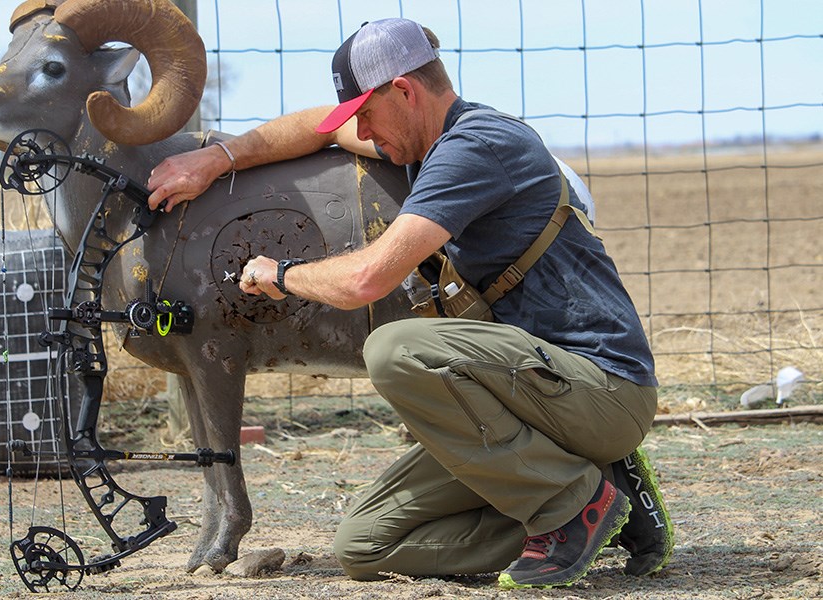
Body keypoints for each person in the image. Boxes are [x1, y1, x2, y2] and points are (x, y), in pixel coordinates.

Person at [147, 18, 672, 590]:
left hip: (601, 388)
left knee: (397, 349)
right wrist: (217, 158)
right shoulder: (421, 144)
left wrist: (284, 274)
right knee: (366, 547)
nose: (364, 134)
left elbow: (368, 280)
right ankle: (602, 493)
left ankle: (572, 505)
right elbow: (313, 130)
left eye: (366, 115)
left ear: (405, 90)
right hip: (535, 399)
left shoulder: (478, 146)